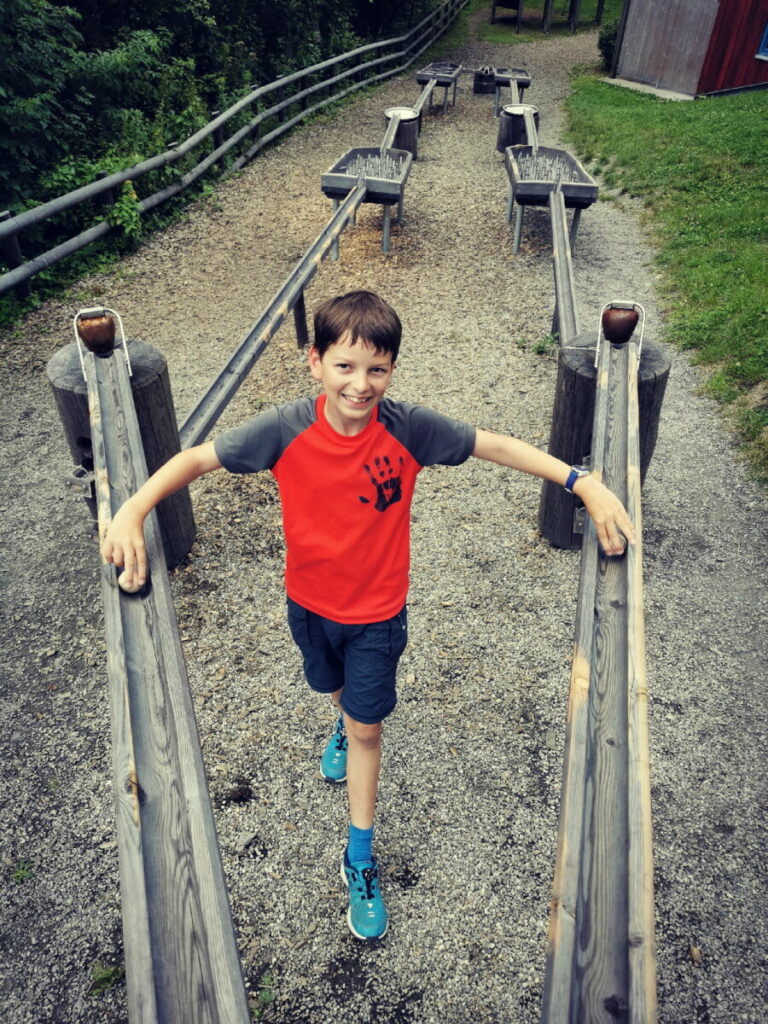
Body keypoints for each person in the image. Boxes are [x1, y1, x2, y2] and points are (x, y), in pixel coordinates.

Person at [102, 290, 634, 942]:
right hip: (308, 606)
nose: (361, 384)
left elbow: (493, 445)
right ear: (315, 362)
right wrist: (132, 510)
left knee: (368, 730)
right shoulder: (285, 428)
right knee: (333, 694)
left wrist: (582, 481)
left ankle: (357, 852)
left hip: (378, 618)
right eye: (345, 366)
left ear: (392, 371)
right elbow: (198, 458)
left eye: (377, 370)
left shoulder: (407, 428)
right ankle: (343, 717)